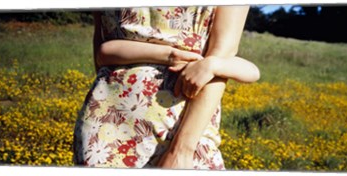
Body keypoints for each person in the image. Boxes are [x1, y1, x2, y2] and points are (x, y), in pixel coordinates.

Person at [73, 6, 257, 169]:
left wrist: (182, 149)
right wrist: (169, 55)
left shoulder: (215, 64)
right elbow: (102, 52)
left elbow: (222, 58)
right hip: (108, 126)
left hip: (187, 125)